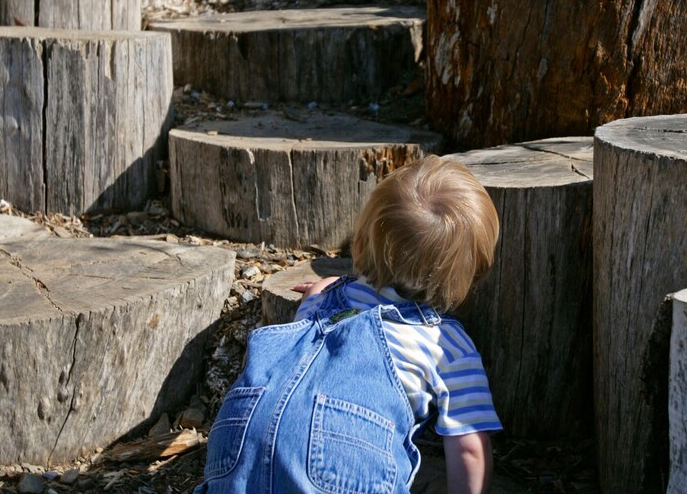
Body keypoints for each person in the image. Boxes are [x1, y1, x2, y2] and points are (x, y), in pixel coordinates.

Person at [195, 156, 502, 493]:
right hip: (334, 459)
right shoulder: (447, 345)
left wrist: (322, 287)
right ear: (472, 273)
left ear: (358, 244)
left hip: (237, 441)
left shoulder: (325, 301)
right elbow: (470, 450)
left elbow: (312, 319)